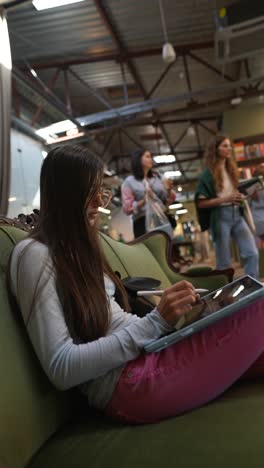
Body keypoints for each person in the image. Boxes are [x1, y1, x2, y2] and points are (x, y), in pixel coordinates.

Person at [8, 144, 264, 425]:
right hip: (127, 384)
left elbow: (113, 322)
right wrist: (155, 324)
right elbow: (60, 366)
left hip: (144, 362)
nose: (99, 203)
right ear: (65, 195)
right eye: (89, 193)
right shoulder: (34, 255)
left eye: (101, 192)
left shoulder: (77, 251)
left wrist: (174, 326)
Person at [195, 134, 259, 279]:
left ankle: (252, 290)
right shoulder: (207, 174)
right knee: (224, 262)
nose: (229, 148)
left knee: (252, 253)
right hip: (220, 217)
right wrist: (225, 198)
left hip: (237, 214)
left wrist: (245, 194)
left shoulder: (231, 170)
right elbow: (201, 203)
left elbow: (234, 194)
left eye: (229, 145)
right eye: (224, 146)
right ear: (215, 149)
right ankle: (226, 296)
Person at [121, 149, 173, 238]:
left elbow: (167, 200)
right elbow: (127, 208)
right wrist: (144, 200)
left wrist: (168, 190)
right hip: (142, 222)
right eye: (147, 156)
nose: (151, 159)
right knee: (147, 250)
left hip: (161, 218)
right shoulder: (129, 182)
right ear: (138, 160)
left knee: (164, 249)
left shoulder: (157, 178)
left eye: (151, 157)